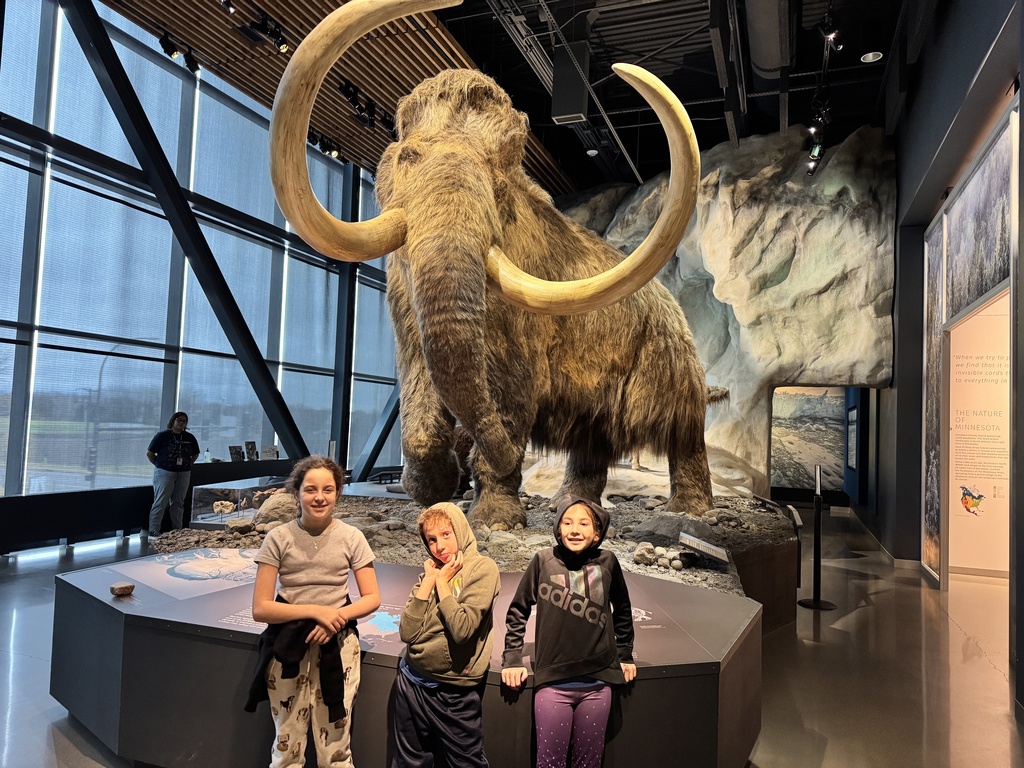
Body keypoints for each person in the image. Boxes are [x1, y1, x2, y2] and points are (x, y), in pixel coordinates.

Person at [246, 455, 381, 768]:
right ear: (297, 493)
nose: (319, 497)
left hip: (338, 644)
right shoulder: (277, 538)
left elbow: (372, 596)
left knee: (336, 746)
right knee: (286, 745)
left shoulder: (352, 537)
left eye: (328, 489)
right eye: (310, 489)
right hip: (288, 647)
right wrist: (317, 612)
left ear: (337, 493)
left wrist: (335, 620)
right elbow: (261, 608)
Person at [501, 495, 636, 768]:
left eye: (584, 524)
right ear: (558, 528)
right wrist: (512, 657)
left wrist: (625, 655)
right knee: (549, 763)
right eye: (568, 522)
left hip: (598, 685)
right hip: (553, 684)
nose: (575, 530)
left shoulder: (609, 562)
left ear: (597, 533)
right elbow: (518, 610)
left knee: (589, 763)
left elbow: (622, 609)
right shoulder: (543, 561)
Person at [391, 502, 500, 767]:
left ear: (460, 531)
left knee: (466, 762)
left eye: (446, 535)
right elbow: (407, 632)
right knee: (409, 761)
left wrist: (442, 584)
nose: (439, 546)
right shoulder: (428, 573)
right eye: (431, 539)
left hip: (453, 690)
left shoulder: (482, 569)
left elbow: (462, 629)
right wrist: (429, 581)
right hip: (411, 680)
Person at [145, 411, 200, 537]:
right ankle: (154, 530)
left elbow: (196, 453)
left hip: (183, 472)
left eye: (184, 421)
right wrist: (159, 465)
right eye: (179, 420)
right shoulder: (162, 436)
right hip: (165, 472)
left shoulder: (189, 437)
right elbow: (150, 453)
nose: (181, 423)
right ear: (173, 421)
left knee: (178, 502)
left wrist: (189, 463)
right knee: (161, 501)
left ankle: (177, 530)